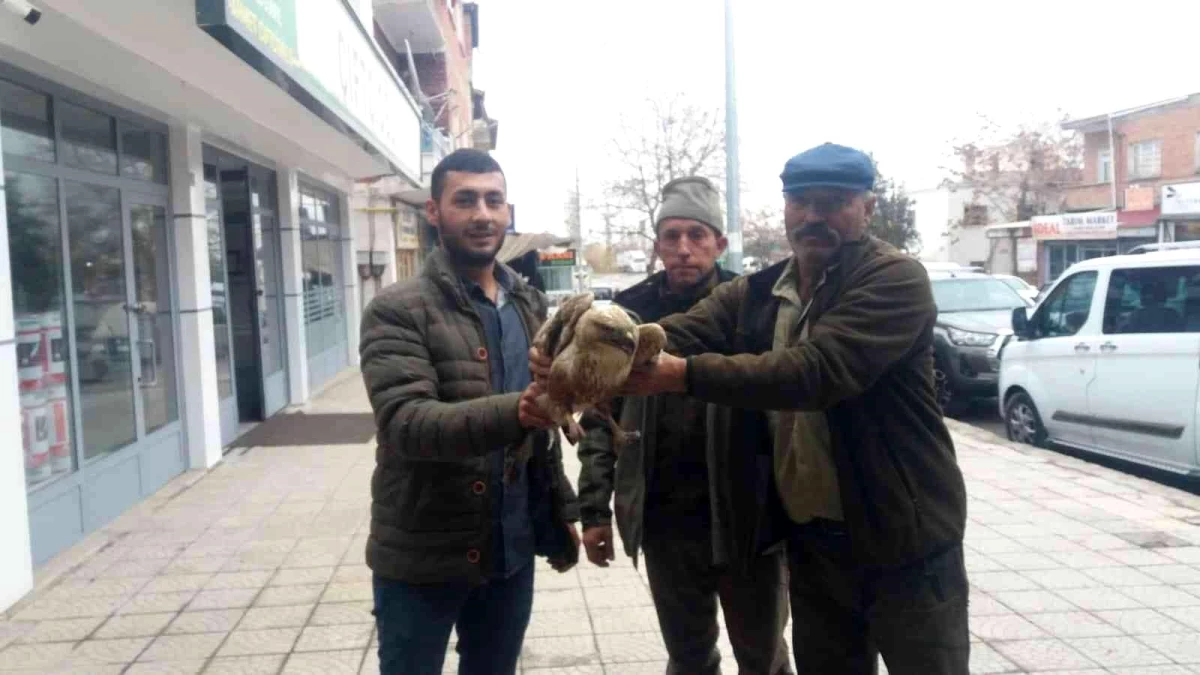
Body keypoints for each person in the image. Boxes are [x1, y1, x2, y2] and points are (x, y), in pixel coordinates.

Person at [534, 143, 970, 674]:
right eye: (800, 202)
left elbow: (814, 373)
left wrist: (683, 375)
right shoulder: (761, 289)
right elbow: (683, 329)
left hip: (904, 538)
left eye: (833, 202)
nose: (813, 216)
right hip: (814, 541)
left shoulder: (894, 279)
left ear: (867, 208)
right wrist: (589, 351)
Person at [360, 148, 580, 675]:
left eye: (493, 200)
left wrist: (559, 512)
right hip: (423, 552)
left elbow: (541, 435)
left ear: (508, 211)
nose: (482, 214)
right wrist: (520, 410)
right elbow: (406, 423)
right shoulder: (397, 309)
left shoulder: (526, 302)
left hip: (509, 549)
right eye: (465, 200)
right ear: (434, 211)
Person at [576, 176, 792, 675]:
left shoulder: (753, 309)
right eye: (671, 236)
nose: (684, 249)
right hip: (666, 522)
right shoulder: (627, 313)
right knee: (689, 658)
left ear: (719, 243)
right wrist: (595, 510)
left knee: (764, 657)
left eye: (697, 235)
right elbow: (597, 417)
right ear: (657, 245)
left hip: (748, 520)